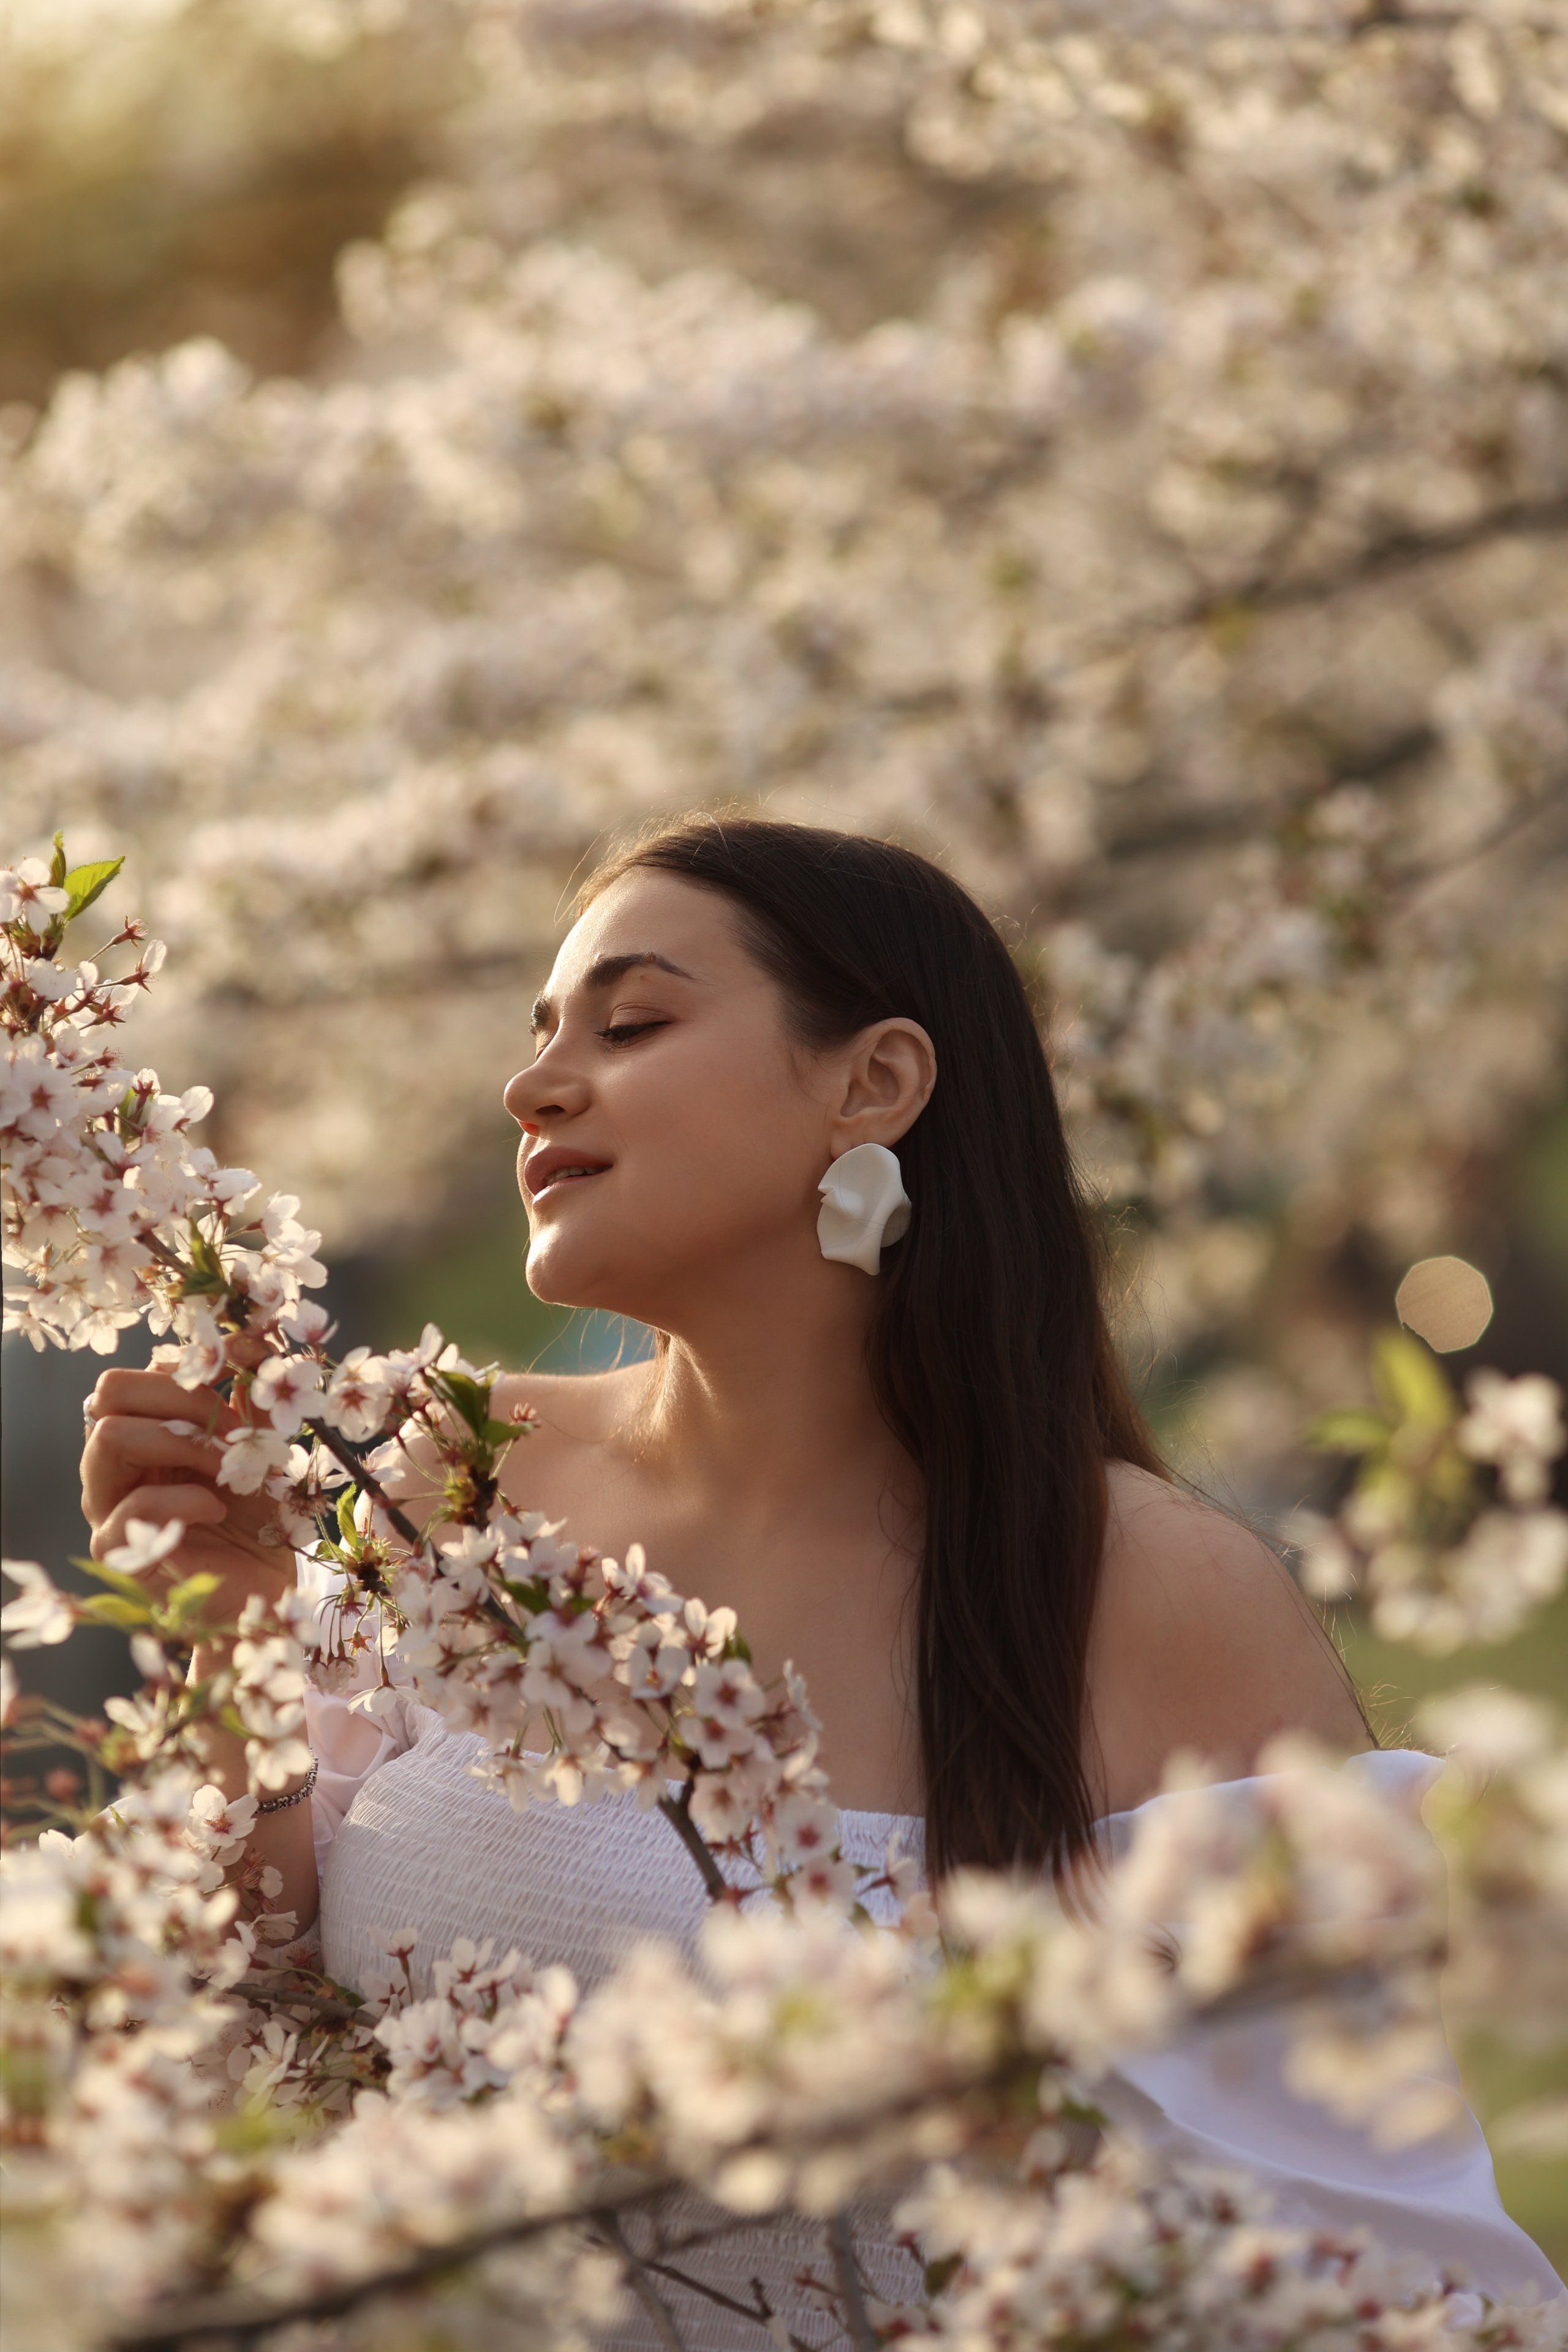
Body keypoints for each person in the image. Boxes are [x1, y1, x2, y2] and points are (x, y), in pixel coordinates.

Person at [80, 816, 1561, 2333]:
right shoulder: (438, 1480)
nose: (534, 1086)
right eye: (539, 1038)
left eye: (632, 1021)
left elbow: (1382, 2281)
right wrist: (235, 1637)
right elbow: (225, 2031)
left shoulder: (1148, 1593)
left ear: (875, 1082)